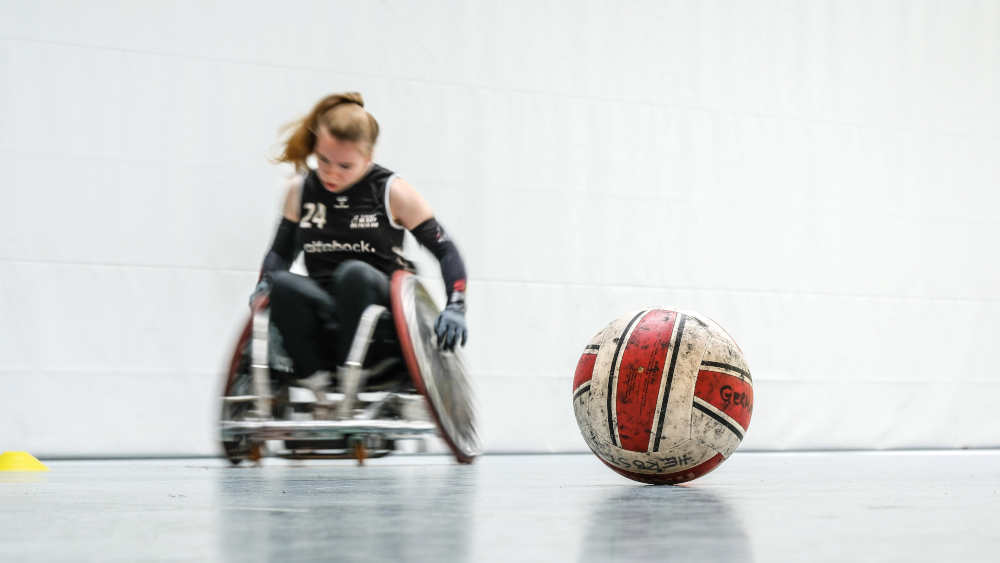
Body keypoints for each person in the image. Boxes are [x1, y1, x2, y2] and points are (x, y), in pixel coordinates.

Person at [251, 92, 468, 381]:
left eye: (345, 166)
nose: (331, 174)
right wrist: (264, 284)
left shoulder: (393, 191)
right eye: (324, 160)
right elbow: (280, 253)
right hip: (326, 312)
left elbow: (446, 250)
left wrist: (456, 305)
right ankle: (318, 382)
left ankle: (352, 372)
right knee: (281, 283)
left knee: (353, 274)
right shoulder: (300, 190)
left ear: (368, 159)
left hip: (380, 317)